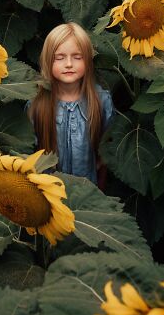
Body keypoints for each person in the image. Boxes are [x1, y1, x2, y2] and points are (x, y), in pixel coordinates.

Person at [25, 22, 115, 189]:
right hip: (48, 192)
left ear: (87, 60)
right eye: (59, 58)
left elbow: (106, 153)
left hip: (89, 193)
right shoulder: (36, 104)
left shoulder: (100, 101)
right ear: (48, 60)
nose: (68, 64)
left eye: (77, 57)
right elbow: (28, 153)